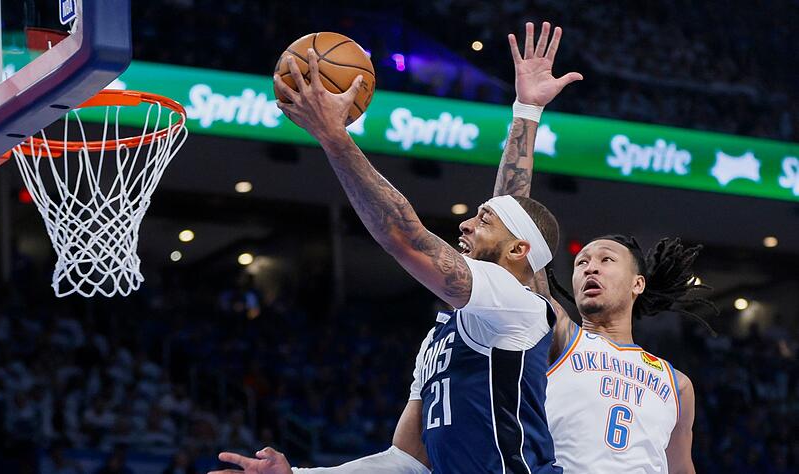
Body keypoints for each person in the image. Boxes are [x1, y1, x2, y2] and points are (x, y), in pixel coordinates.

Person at [212, 22, 581, 474]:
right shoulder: (443, 335)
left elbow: (404, 235)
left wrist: (335, 137)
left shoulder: (518, 307)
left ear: (517, 252)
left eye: (482, 220)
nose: (464, 223)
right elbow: (404, 461)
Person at [493, 23, 716, 474]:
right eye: (580, 262)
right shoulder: (560, 335)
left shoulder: (678, 385)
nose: (588, 268)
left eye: (604, 260)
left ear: (638, 283)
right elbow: (507, 224)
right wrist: (527, 112)